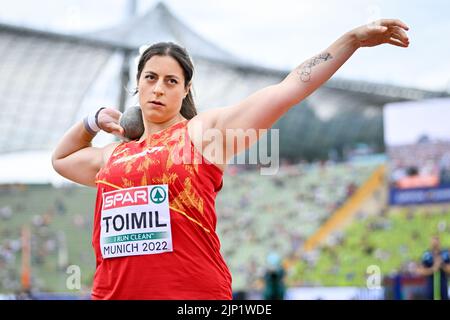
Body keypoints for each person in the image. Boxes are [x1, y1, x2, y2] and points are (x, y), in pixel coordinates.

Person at [52, 19, 410, 299]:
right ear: (138, 83)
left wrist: (351, 41)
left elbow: (287, 90)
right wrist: (92, 120)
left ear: (186, 89)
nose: (159, 87)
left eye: (171, 81)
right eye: (151, 77)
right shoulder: (114, 154)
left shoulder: (203, 133)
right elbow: (62, 158)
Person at [417, 235, 450, 300]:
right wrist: (433, 269)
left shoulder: (445, 254)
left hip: (443, 284)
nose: (435, 242)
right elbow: (421, 271)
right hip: (430, 285)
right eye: (433, 240)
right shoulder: (426, 255)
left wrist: (442, 264)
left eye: (437, 239)